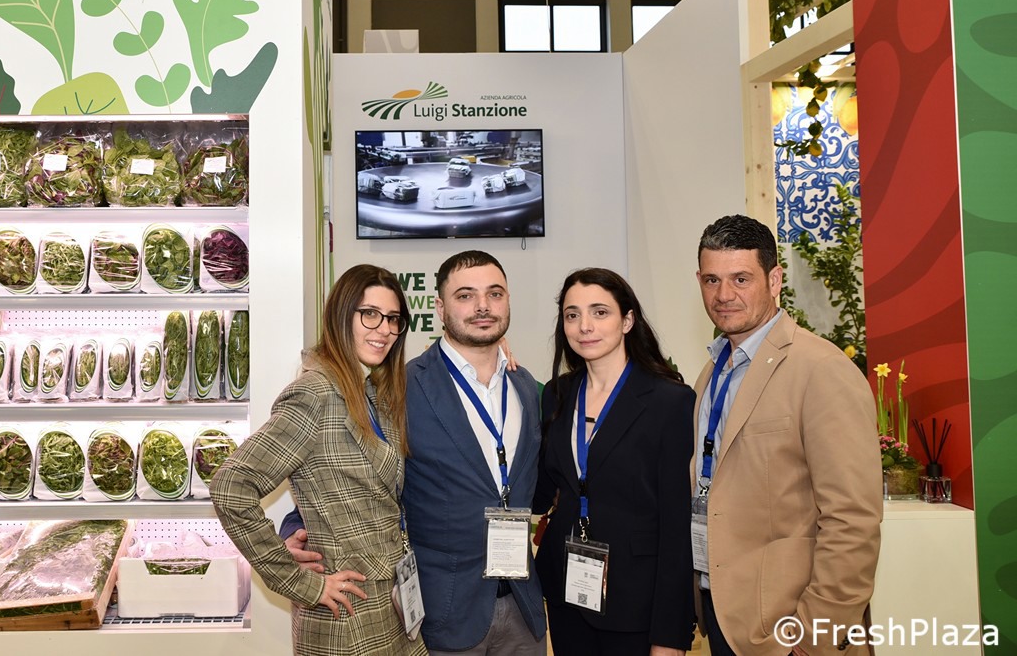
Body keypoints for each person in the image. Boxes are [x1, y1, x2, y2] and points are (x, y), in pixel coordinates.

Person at [284, 251, 547, 656]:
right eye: (465, 295)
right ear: (440, 308)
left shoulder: (526, 386)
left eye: (494, 294)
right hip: (443, 611)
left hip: (523, 608)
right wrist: (295, 530)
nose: (482, 306)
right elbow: (347, 473)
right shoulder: (399, 388)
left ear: (508, 301)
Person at [210, 263, 428, 656]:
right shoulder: (316, 393)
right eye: (370, 314)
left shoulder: (371, 391)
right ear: (341, 316)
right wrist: (300, 582)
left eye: (393, 319)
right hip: (345, 615)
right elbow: (231, 486)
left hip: (389, 603)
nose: (384, 329)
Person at [692, 215, 882, 656]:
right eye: (712, 280)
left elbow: (852, 519)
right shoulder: (712, 371)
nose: (724, 295)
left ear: (774, 280)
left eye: (741, 279)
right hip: (726, 614)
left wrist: (813, 637)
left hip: (787, 628)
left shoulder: (821, 369)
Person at [534, 268, 695, 656]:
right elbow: (540, 491)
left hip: (636, 599)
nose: (584, 326)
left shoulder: (669, 401)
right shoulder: (557, 394)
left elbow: (677, 528)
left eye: (600, 312)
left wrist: (669, 636)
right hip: (566, 591)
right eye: (572, 315)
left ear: (627, 320)